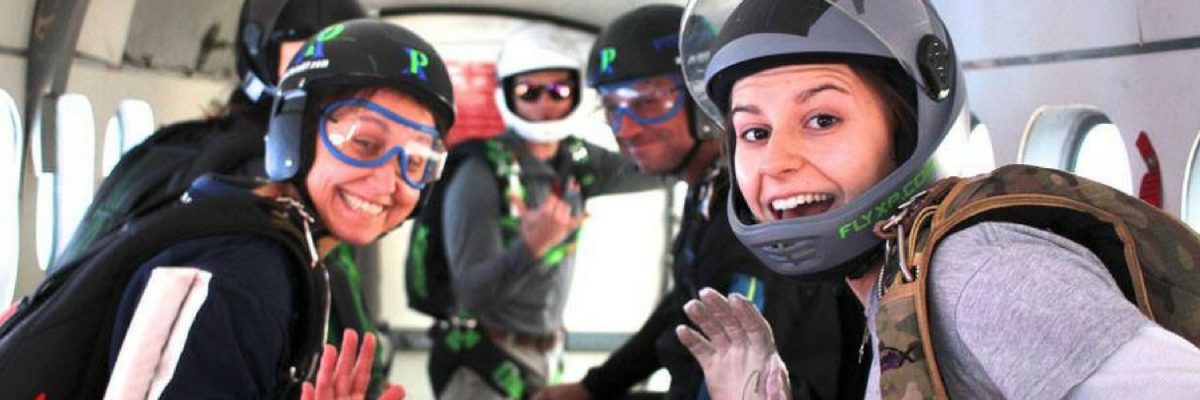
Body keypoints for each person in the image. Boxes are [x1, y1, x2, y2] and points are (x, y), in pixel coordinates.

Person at [669, 0, 1200, 398]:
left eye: (822, 120)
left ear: (907, 128)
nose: (777, 160)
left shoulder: (980, 274)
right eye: (755, 133)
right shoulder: (901, 284)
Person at [104, 19, 455, 398]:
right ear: (296, 133)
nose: (389, 183)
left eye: (417, 160)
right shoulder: (236, 283)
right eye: (364, 142)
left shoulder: (286, 253)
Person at [535, 5, 866, 399]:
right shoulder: (707, 192)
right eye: (611, 109)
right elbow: (685, 306)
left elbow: (748, 370)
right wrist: (595, 386)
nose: (626, 129)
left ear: (702, 97)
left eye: (647, 101)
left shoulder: (752, 208)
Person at [429, 22, 662, 400]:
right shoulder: (481, 173)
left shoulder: (578, 161)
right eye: (529, 91)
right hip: (484, 364)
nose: (544, 103)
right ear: (508, 94)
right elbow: (470, 294)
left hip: (548, 355)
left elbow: (662, 168)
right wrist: (530, 249)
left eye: (558, 89)